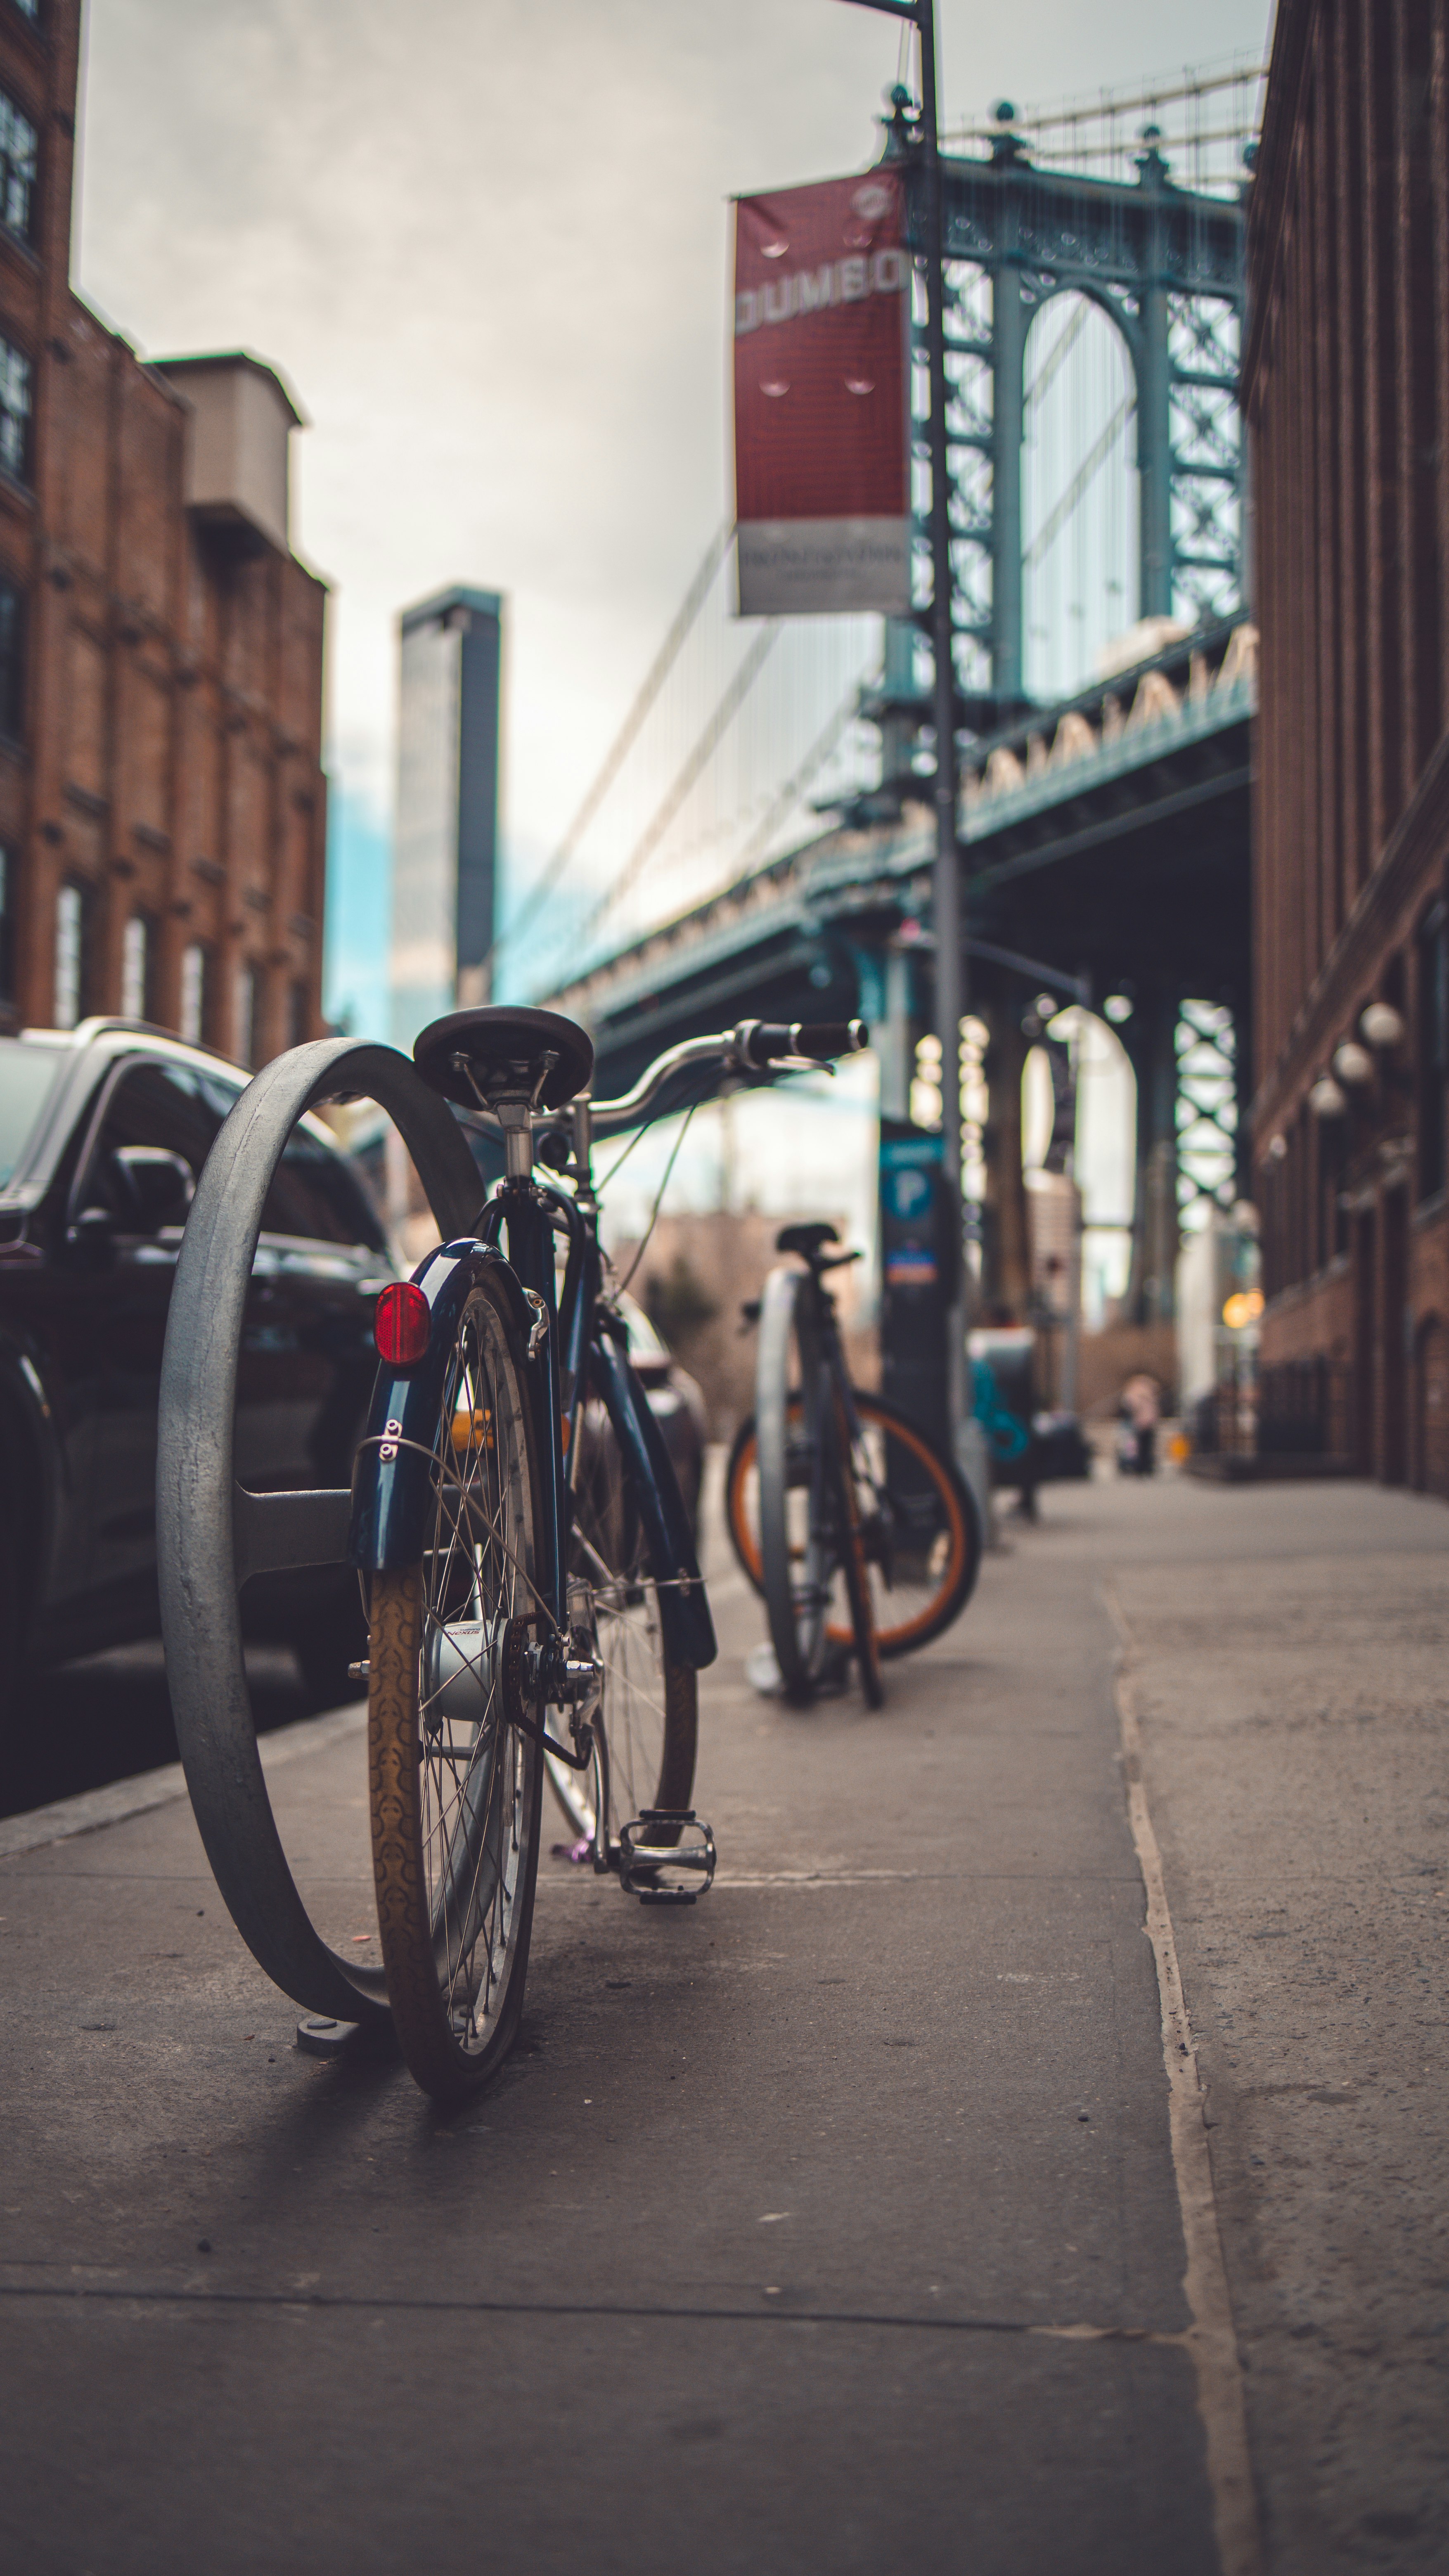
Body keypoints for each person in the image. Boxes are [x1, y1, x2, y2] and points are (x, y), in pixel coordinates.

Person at [1118, 1372, 1161, 1477]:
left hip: (1140, 1422)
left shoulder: (1135, 1393)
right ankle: (1145, 1467)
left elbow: (1129, 1405)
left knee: (1139, 1447)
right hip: (1147, 1422)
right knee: (1145, 1447)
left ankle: (1139, 1467)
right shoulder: (1150, 1394)